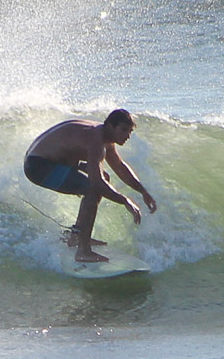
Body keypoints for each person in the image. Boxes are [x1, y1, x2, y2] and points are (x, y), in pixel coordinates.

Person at [23, 109, 157, 263]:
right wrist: (125, 201)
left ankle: (76, 237)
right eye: (123, 130)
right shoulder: (95, 140)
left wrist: (143, 192)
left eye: (130, 131)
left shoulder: (104, 136)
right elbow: (97, 184)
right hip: (39, 166)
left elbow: (119, 166)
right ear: (110, 126)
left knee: (100, 179)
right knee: (93, 188)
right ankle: (83, 251)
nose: (127, 135)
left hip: (52, 160)